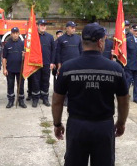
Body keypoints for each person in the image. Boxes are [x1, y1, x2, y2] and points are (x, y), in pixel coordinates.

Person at [52, 23, 129, 166]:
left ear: (82, 42)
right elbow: (123, 100)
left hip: (77, 127)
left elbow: (57, 100)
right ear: (100, 42)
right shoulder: (115, 69)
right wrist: (121, 123)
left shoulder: (68, 68)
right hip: (104, 127)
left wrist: (57, 124)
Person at [56, 21, 83, 106]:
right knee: (66, 82)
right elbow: (58, 53)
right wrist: (59, 64)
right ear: (67, 28)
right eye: (72, 27)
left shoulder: (79, 38)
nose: (74, 29)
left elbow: (81, 51)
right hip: (65, 65)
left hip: (76, 64)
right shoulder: (61, 39)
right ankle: (66, 98)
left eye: (74, 27)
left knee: (75, 82)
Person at [31, 19, 55, 107]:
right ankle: (35, 99)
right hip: (36, 64)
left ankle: (45, 98)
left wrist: (52, 62)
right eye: (41, 25)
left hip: (46, 63)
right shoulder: (33, 37)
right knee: (36, 81)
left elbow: (53, 51)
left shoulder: (50, 37)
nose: (43, 26)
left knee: (45, 81)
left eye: (44, 25)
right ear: (37, 26)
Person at [2, 27, 27, 108]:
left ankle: (21, 100)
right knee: (10, 85)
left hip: (21, 69)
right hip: (10, 69)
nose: (15, 35)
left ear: (19, 34)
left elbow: (28, 57)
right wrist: (4, 69)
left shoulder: (23, 44)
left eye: (17, 33)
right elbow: (4, 58)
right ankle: (10, 101)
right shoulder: (7, 44)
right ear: (11, 34)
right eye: (13, 33)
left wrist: (24, 55)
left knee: (21, 86)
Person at [125, 25, 137, 104]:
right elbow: (124, 52)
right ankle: (125, 97)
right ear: (132, 31)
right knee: (127, 83)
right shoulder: (128, 40)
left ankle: (136, 98)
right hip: (129, 65)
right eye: (135, 31)